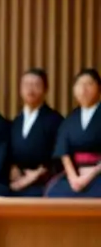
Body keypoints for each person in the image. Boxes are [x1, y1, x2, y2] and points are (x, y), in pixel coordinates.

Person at [46, 68, 101, 198]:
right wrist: (73, 178)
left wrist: (90, 175)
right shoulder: (70, 119)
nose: (84, 89)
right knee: (55, 192)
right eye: (79, 84)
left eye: (89, 84)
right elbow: (63, 152)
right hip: (75, 173)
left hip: (97, 172)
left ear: (99, 88)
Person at [8, 68, 63, 197]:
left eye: (36, 85)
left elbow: (59, 155)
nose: (30, 89)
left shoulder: (55, 119)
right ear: (20, 89)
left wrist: (37, 174)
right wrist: (12, 168)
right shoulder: (16, 121)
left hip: (42, 181)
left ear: (45, 89)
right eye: (26, 85)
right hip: (16, 179)